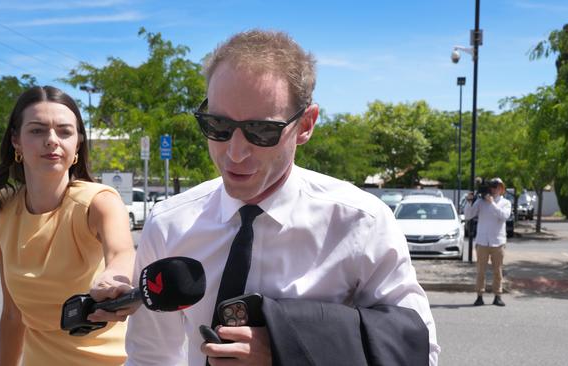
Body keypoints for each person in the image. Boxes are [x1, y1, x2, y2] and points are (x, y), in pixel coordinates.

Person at [126, 29, 440, 365]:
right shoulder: (169, 224)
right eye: (218, 125)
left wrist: (288, 347)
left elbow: (418, 350)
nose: (234, 153)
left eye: (261, 131)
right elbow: (151, 355)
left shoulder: (361, 223)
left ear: (306, 124)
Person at [0, 86, 137, 365]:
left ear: (78, 143)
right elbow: (12, 312)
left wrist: (115, 278)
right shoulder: (1, 208)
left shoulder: (99, 201)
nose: (52, 140)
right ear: (16, 141)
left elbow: (121, 253)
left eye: (64, 131)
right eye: (37, 130)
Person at [464, 177, 511, 307]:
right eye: (493, 186)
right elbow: (468, 215)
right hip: (482, 241)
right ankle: (479, 295)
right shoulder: (480, 202)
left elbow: (504, 216)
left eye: (497, 187)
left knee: (498, 270)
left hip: (498, 242)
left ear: (502, 189)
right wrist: (469, 202)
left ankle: (498, 295)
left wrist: (492, 203)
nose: (494, 189)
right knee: (480, 271)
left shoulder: (505, 203)